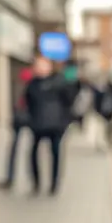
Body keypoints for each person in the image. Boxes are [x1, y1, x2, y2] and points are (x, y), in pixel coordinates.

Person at [24, 54, 75, 195]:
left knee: (56, 153)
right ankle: (36, 183)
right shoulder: (32, 84)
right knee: (33, 153)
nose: (40, 68)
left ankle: (54, 184)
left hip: (56, 124)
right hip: (37, 123)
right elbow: (28, 102)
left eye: (43, 65)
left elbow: (68, 101)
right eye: (38, 65)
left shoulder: (60, 82)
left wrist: (65, 121)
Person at [0, 68, 33, 191]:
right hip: (22, 118)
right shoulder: (24, 83)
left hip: (30, 119)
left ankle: (14, 178)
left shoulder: (28, 83)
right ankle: (12, 178)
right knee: (16, 149)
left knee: (26, 150)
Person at [95, 75, 112, 149]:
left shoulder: (106, 91)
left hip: (106, 113)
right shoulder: (107, 91)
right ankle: (106, 143)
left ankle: (107, 143)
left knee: (107, 129)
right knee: (106, 129)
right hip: (106, 113)